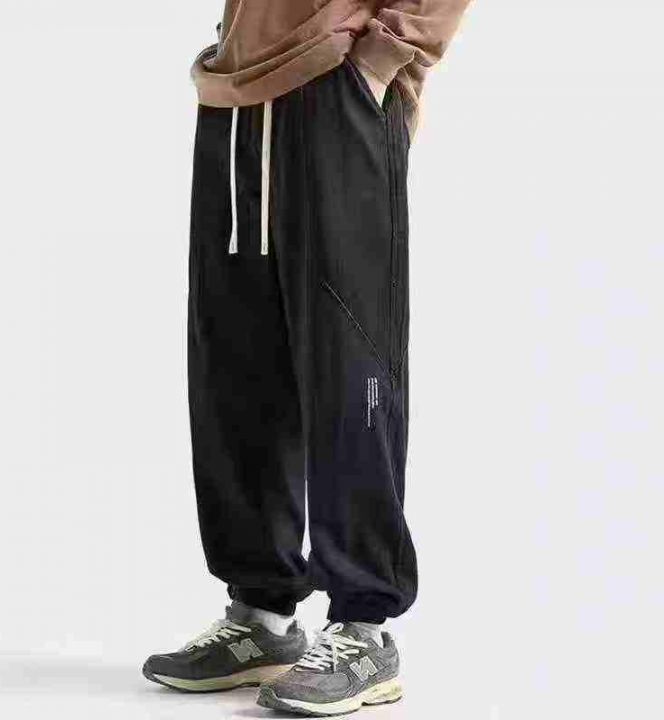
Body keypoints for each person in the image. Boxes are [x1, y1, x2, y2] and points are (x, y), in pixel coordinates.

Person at [143, 0, 472, 714]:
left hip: (336, 89)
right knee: (235, 368)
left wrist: (384, 55)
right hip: (234, 98)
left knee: (351, 366)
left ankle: (364, 626)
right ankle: (261, 614)